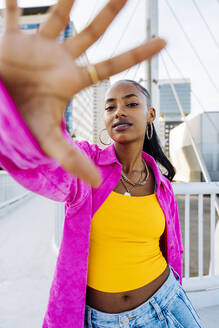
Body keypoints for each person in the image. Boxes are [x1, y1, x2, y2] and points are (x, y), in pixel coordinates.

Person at [0, 1, 205, 328]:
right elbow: (41, 163)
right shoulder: (86, 165)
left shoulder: (162, 184)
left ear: (151, 115)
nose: (119, 112)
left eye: (131, 103)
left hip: (170, 306)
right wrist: (19, 109)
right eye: (110, 107)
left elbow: (170, 250)